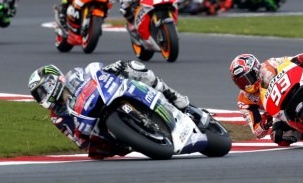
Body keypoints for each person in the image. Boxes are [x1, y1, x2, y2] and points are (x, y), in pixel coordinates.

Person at [28, 61, 190, 159]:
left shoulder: (75, 75)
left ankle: (174, 97)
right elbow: (77, 140)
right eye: (37, 96)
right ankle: (136, 138)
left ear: (51, 82)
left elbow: (94, 71)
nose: (41, 98)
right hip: (98, 127)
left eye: (40, 92)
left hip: (106, 94)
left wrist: (111, 68)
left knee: (135, 67)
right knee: (96, 152)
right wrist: (82, 138)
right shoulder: (57, 116)